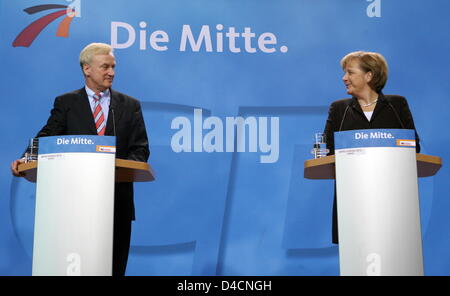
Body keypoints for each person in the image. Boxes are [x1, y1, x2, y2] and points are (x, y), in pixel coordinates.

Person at [10, 42, 150, 276]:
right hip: (74, 204)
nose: (112, 72)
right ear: (87, 69)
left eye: (114, 67)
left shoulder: (130, 106)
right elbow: (47, 136)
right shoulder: (66, 103)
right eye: (105, 66)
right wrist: (27, 158)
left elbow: (140, 149)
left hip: (117, 204)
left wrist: (116, 167)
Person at [323, 51, 420, 244]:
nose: (344, 78)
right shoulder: (339, 109)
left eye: (350, 73)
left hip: (393, 198)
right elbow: (326, 151)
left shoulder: (396, 105)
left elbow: (413, 146)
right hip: (352, 201)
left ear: (369, 76)